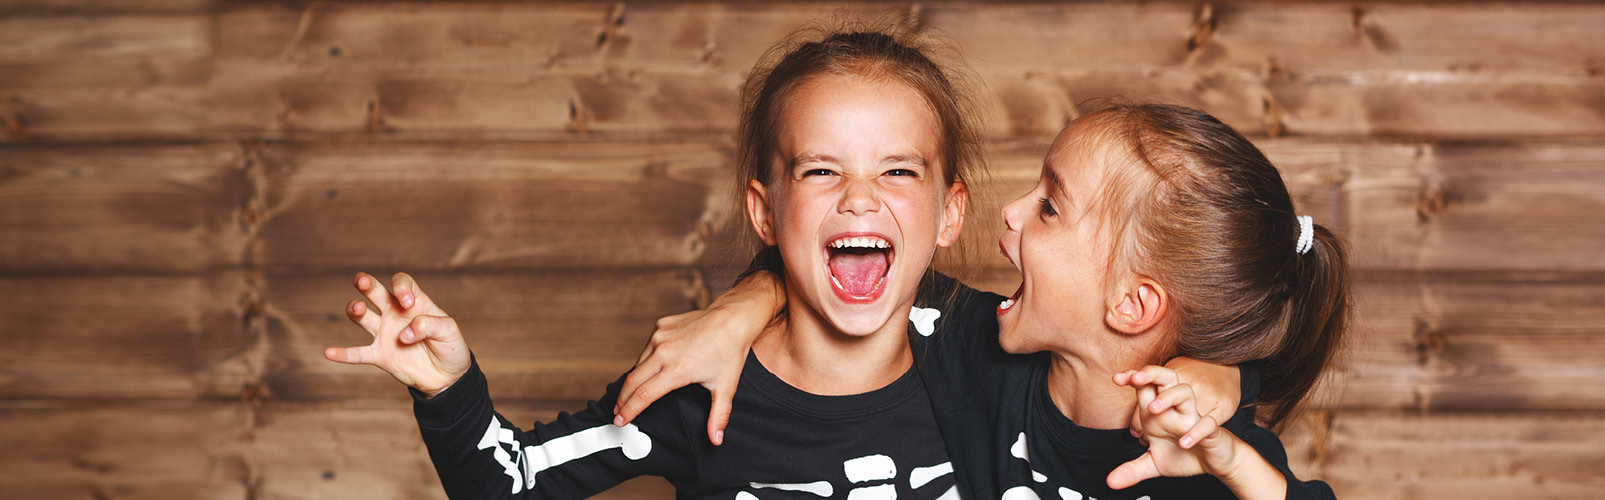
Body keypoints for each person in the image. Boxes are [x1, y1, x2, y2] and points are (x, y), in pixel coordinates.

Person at [323, 27, 983, 498]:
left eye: (898, 169)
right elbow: (513, 483)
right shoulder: (693, 387)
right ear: (765, 215)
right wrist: (449, 391)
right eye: (819, 169)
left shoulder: (988, 353)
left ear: (950, 214)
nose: (861, 196)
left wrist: (754, 294)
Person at [621, 103, 1345, 499]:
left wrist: (1242, 466)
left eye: (1051, 208)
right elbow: (846, 266)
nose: (1012, 212)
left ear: (1131, 304)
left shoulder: (1211, 461)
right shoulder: (965, 346)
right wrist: (741, 306)